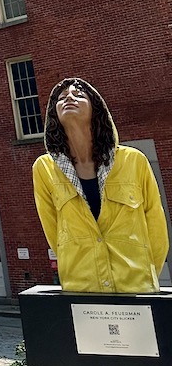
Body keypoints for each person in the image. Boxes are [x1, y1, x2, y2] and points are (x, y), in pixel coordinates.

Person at [32, 77, 169, 294]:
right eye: (61, 97)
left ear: (97, 109)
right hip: (81, 290)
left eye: (78, 94)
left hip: (134, 288)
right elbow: (54, 232)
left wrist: (144, 274)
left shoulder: (134, 161)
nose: (69, 98)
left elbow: (156, 225)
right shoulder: (44, 169)